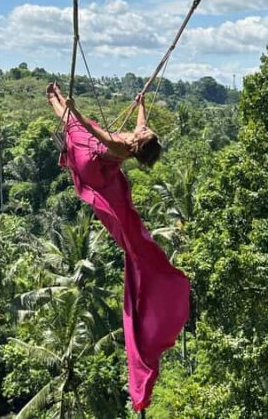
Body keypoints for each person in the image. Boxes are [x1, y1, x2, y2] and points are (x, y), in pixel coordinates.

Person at [47, 82, 190, 412]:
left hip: (93, 168)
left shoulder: (123, 146)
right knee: (74, 121)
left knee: (74, 125)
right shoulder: (137, 140)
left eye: (144, 132)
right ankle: (55, 98)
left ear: (138, 144)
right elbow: (142, 124)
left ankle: (53, 98)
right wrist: (141, 104)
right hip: (104, 167)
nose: (144, 128)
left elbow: (94, 132)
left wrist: (72, 107)